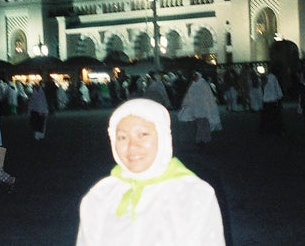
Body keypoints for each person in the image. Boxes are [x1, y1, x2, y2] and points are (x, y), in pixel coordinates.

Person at [76, 98, 225, 245]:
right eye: (122, 137)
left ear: (163, 137)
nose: (132, 146)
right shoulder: (100, 195)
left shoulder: (195, 194)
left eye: (143, 135)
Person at [177, 72, 221, 145]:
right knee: (200, 124)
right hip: (197, 108)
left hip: (203, 107)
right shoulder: (194, 85)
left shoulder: (202, 84)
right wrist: (185, 104)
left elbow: (208, 95)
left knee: (204, 123)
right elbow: (189, 96)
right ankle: (201, 139)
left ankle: (204, 138)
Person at [260, 70, 284, 135]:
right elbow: (277, 87)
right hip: (273, 99)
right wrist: (279, 96)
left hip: (266, 99)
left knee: (266, 115)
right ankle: (276, 129)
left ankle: (266, 129)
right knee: (275, 115)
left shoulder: (263, 77)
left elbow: (262, 88)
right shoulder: (273, 77)